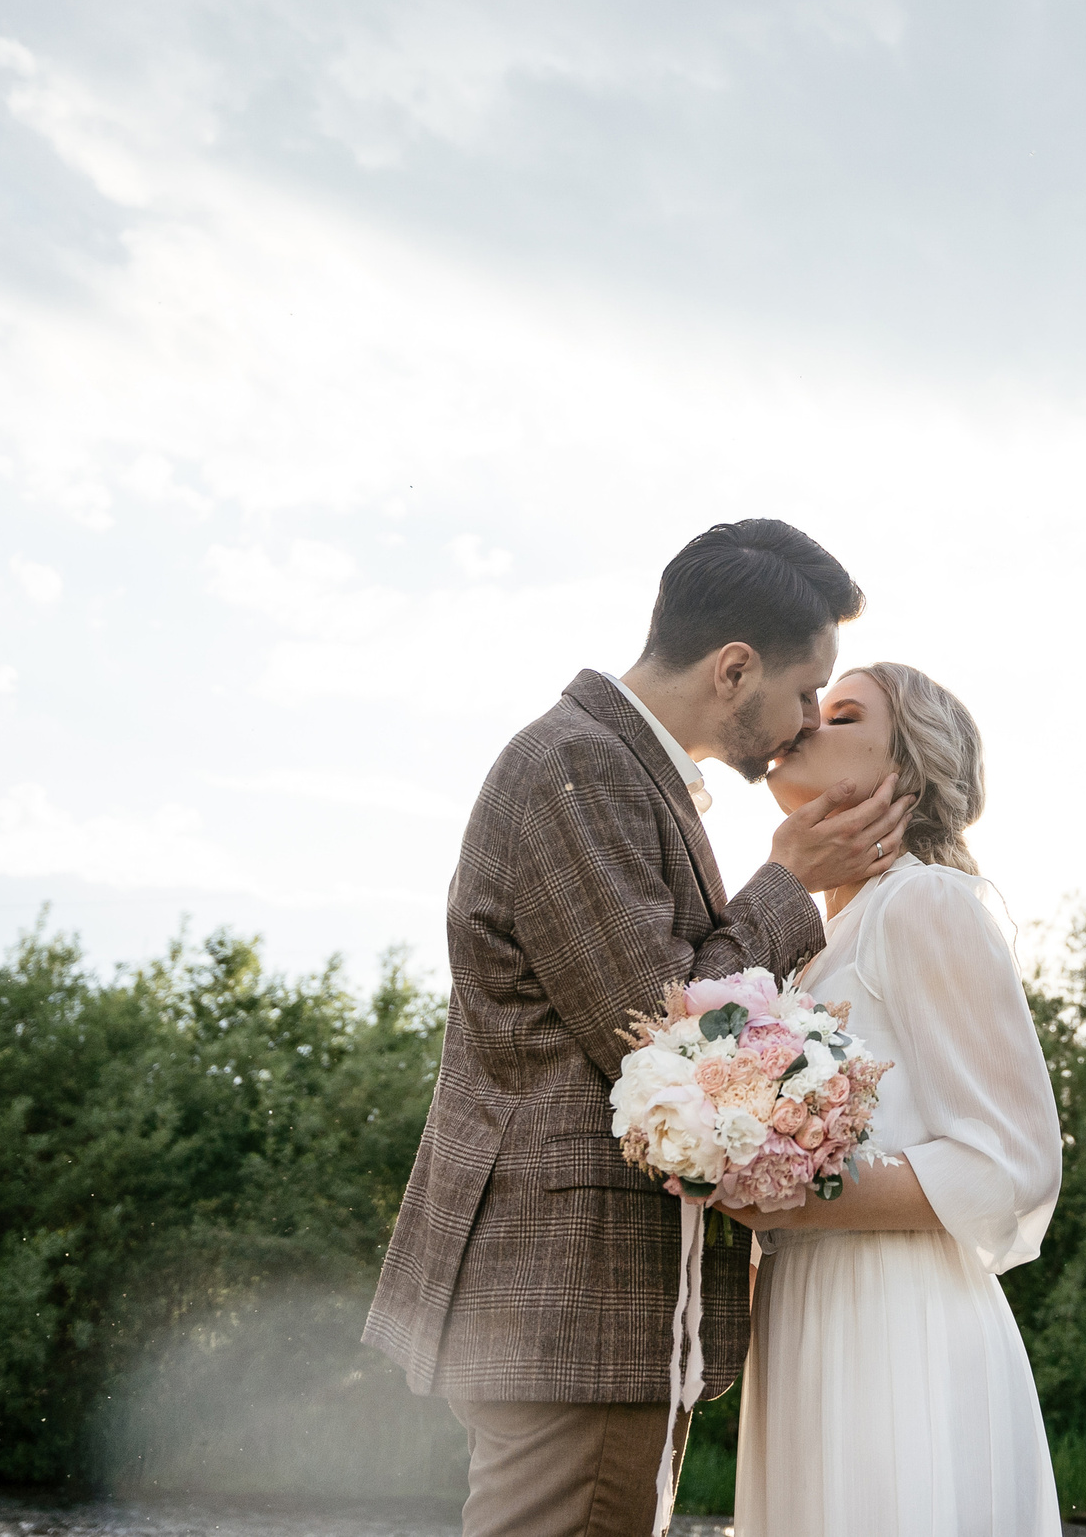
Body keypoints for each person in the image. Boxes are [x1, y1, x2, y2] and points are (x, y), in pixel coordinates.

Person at [363, 520, 918, 1537]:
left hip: (587, 1309)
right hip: (574, 1300)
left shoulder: (624, 772)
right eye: (803, 692)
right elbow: (667, 1033)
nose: (803, 723)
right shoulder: (574, 767)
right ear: (734, 669)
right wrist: (790, 883)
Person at [725, 662, 1064, 1537]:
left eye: (840, 714)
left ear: (902, 777)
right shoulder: (813, 945)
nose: (805, 720)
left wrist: (789, 1193)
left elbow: (1009, 1164)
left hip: (894, 1325)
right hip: (804, 1320)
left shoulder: (926, 903)